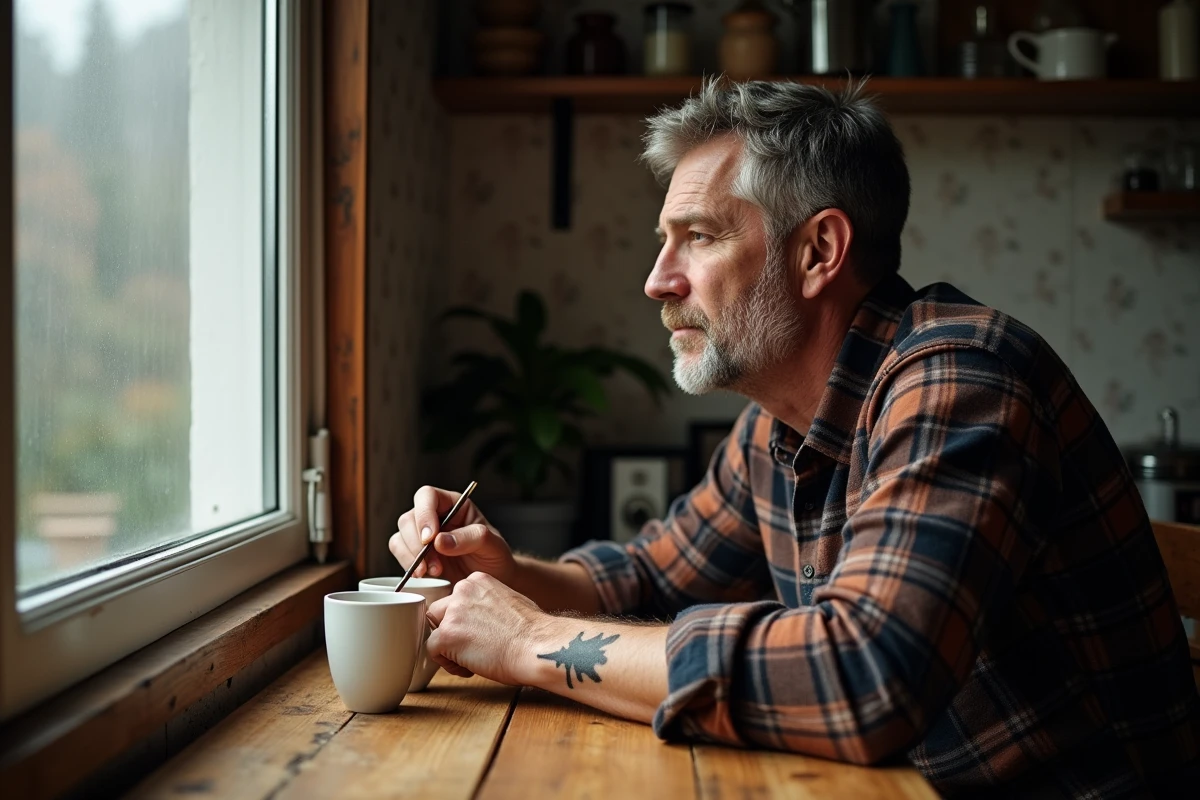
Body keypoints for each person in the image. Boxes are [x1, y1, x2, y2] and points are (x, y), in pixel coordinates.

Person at [391, 80, 1200, 796]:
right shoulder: (775, 426)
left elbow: (866, 675)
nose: (657, 280)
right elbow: (645, 580)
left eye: (699, 237)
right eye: (663, 242)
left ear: (819, 250)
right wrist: (507, 571)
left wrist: (530, 637)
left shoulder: (961, 378)